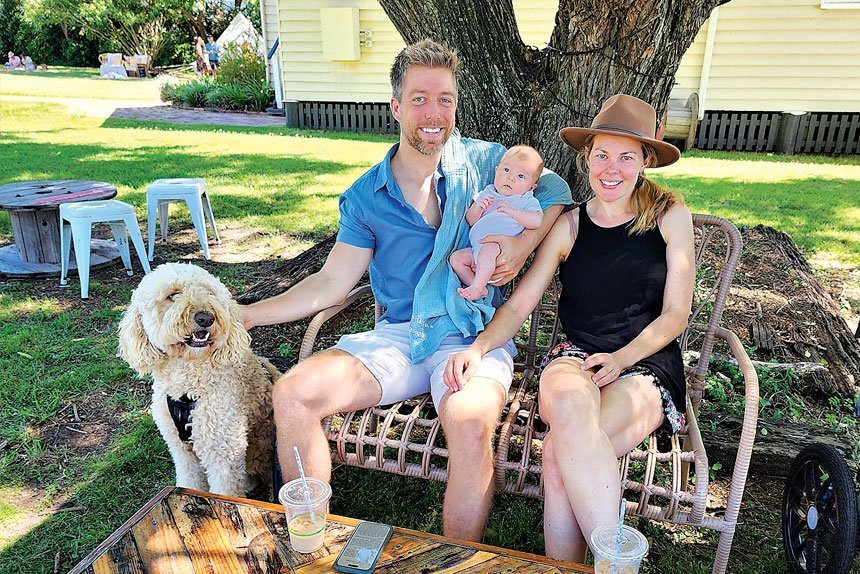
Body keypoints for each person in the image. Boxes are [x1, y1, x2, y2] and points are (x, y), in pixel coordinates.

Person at [241, 39, 571, 541]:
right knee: (292, 393)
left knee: (469, 423)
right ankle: (309, 542)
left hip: (471, 334)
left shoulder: (488, 165)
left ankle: (455, 560)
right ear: (396, 106)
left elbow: (557, 190)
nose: (434, 113)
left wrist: (522, 246)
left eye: (445, 99)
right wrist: (249, 314)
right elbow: (332, 281)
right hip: (400, 335)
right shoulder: (367, 196)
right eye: (419, 98)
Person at [444, 94, 695, 561]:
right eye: (602, 154)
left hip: (643, 364)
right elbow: (520, 306)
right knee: (572, 413)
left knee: (560, 453)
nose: (611, 168)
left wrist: (622, 358)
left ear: (645, 161)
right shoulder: (570, 225)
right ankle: (618, 563)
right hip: (573, 357)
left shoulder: (668, 215)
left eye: (626, 156)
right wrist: (479, 348)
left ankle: (587, 567)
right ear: (587, 157)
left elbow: (676, 314)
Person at [450, 145, 544, 300]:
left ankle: (478, 286)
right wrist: (478, 209)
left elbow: (536, 221)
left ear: (531, 187)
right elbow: (471, 221)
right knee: (456, 259)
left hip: (499, 253)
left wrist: (515, 213)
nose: (511, 178)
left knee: (488, 249)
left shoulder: (525, 200)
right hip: (476, 249)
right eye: (506, 170)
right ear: (496, 170)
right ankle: (478, 286)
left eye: (521, 176)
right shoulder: (488, 192)